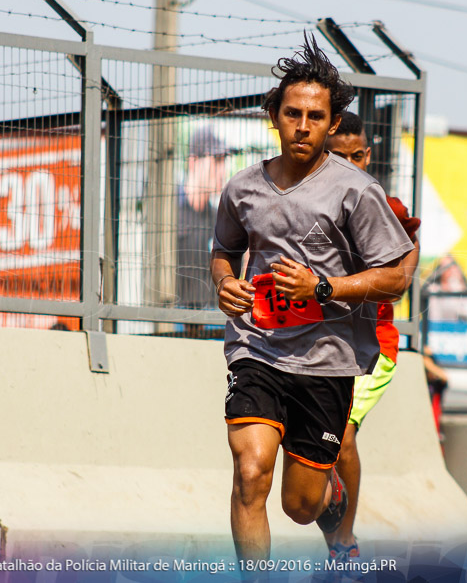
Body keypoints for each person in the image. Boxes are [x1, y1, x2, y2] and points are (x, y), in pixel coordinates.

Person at [210, 35, 415, 573]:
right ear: (273, 116)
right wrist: (225, 282)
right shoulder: (242, 188)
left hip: (326, 360)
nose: (303, 126)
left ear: (331, 123)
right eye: (293, 113)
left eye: (316, 117)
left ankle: (332, 501)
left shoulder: (356, 191)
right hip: (257, 346)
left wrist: (322, 288)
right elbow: (224, 250)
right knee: (250, 470)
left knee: (300, 506)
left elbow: (395, 277)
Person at [321, 111, 421, 565]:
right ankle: (330, 520)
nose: (350, 164)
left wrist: (400, 278)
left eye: (357, 155)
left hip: (375, 344)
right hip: (319, 344)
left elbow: (410, 238)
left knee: (343, 437)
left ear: (368, 153)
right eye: (337, 156)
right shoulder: (312, 202)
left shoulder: (383, 204)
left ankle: (345, 540)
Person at [176, 125, 230, 318]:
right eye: (216, 160)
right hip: (172, 318)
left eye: (224, 161)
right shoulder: (167, 213)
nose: (222, 170)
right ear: (193, 162)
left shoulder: (220, 220)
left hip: (212, 320)